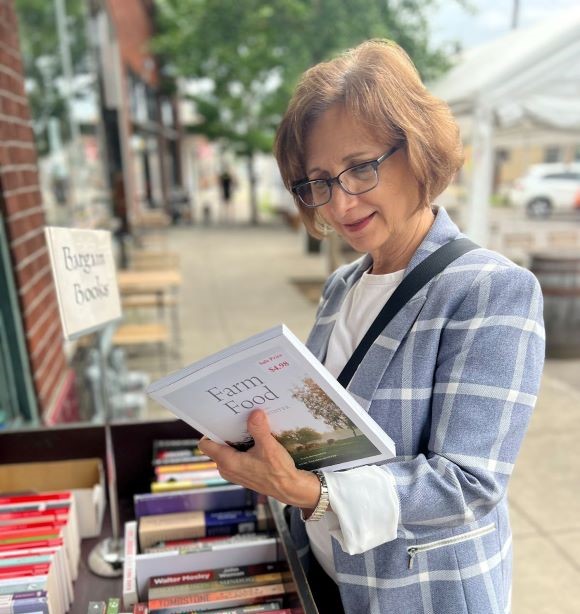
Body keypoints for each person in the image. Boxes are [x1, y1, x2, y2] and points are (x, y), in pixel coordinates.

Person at [199, 39, 545, 614]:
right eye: (319, 181)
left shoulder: (490, 290)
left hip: (421, 596)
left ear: (417, 148)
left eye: (360, 168)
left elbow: (469, 484)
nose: (339, 203)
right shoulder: (342, 287)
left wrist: (309, 494)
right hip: (329, 578)